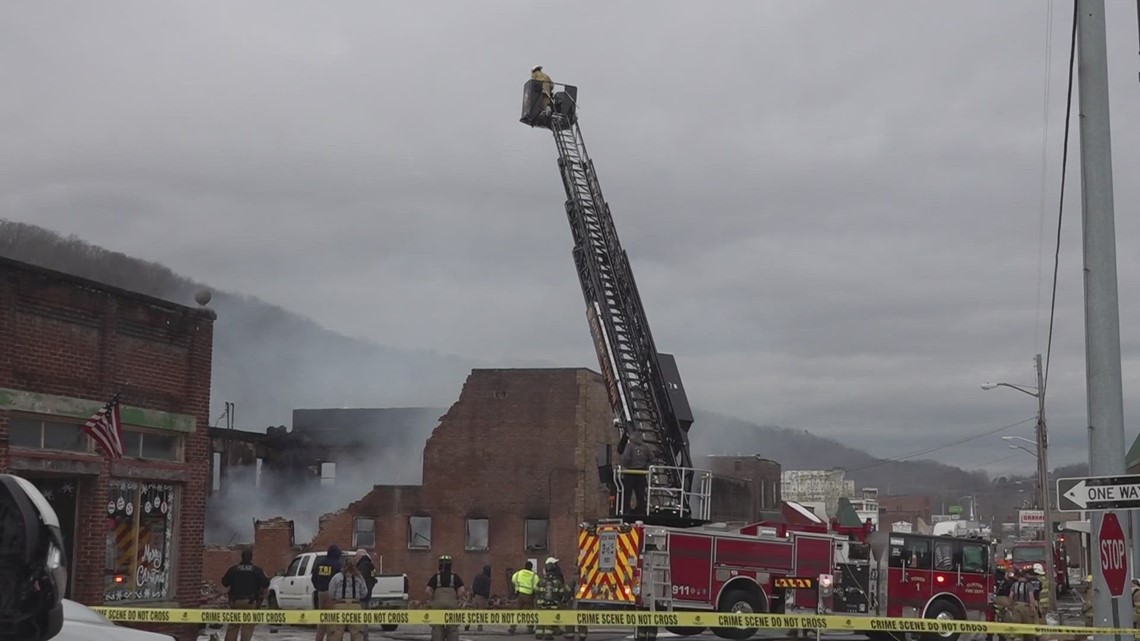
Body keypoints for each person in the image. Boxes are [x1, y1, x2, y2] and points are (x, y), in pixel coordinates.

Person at [220, 548, 270, 641]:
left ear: (241, 558)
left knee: (233, 626)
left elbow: (224, 582)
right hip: (250, 602)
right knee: (247, 626)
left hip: (235, 601)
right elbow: (266, 583)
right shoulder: (256, 570)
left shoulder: (233, 569)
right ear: (251, 558)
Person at [328, 555, 369, 641]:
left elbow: (331, 593)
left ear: (344, 565)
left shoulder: (337, 577)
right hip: (355, 606)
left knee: (336, 633)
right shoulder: (359, 577)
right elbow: (364, 593)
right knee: (357, 633)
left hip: (339, 606)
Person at [427, 554, 467, 641]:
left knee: (437, 628)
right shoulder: (455, 576)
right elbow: (462, 590)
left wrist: (434, 598)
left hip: (437, 605)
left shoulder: (436, 576)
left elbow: (428, 590)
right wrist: (456, 597)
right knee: (452, 628)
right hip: (452, 605)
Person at [312, 545, 344, 641]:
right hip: (332, 595)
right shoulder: (337, 565)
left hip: (321, 593)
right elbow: (341, 580)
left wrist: (318, 587)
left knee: (322, 618)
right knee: (331, 619)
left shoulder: (320, 563)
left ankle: (319, 638)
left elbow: (314, 578)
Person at [619, 433, 651, 514]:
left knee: (627, 494)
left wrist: (626, 465)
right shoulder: (645, 447)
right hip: (642, 473)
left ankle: (626, 511)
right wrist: (646, 466)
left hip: (630, 473)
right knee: (640, 495)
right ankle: (641, 512)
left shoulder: (629, 446)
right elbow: (651, 458)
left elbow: (626, 457)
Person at [508, 561, 539, 634]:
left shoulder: (518, 573)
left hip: (520, 595)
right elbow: (536, 587)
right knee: (529, 613)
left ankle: (512, 627)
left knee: (516, 612)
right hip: (529, 596)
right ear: (531, 567)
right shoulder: (534, 576)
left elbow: (513, 579)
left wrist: (517, 587)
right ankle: (530, 629)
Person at [465, 565, 492, 632]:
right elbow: (487, 589)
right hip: (483, 598)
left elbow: (473, 586)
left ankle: (467, 625)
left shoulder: (477, 576)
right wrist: (487, 597)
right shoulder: (488, 579)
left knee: (472, 612)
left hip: (475, 596)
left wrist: (473, 595)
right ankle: (479, 627)